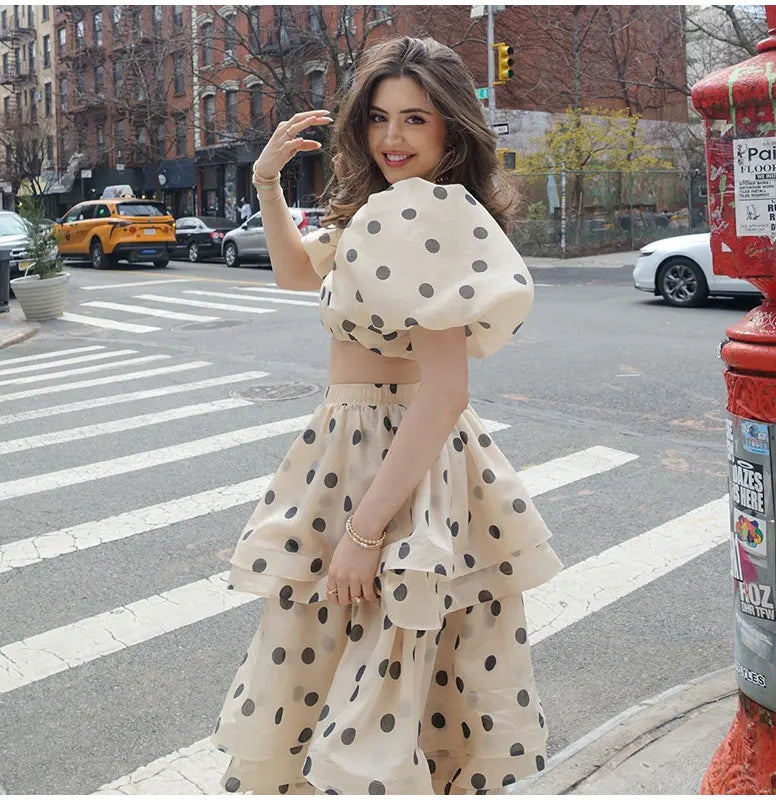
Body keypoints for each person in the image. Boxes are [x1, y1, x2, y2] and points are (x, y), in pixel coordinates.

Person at [211, 36, 562, 795]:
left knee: (382, 681)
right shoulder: (384, 211)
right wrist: (268, 179)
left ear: (451, 128)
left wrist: (365, 535)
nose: (393, 138)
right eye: (378, 118)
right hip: (355, 456)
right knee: (357, 671)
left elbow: (443, 396)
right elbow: (295, 272)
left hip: (398, 470)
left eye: (415, 120)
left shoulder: (432, 217)